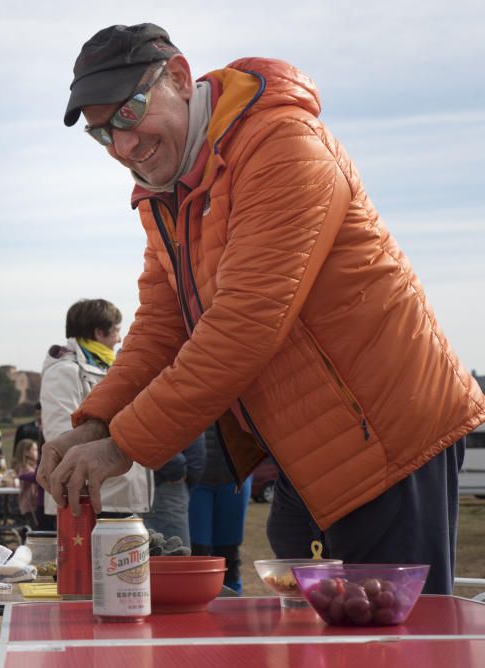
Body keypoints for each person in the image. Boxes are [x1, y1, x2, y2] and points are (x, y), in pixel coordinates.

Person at [38, 23, 484, 595]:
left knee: (390, 644)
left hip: (389, 439)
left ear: (178, 77)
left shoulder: (280, 144)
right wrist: (94, 423)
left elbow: (244, 327)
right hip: (306, 449)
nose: (123, 146)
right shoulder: (168, 190)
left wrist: (122, 446)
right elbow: (160, 326)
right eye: (102, 134)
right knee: (313, 641)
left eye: (130, 113)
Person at [39, 299, 153, 518]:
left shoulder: (117, 368)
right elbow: (60, 435)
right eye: (117, 331)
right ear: (100, 332)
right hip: (89, 500)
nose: (120, 339)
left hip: (124, 497)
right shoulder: (64, 371)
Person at [189, 426, 252, 594]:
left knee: (229, 554)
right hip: (196, 480)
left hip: (235, 477)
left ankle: (233, 604)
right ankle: (194, 607)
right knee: (197, 554)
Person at [145, 433, 205, 547]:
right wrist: (174, 466)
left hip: (171, 483)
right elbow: (141, 432)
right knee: (177, 555)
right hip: (164, 485)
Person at [12, 438, 43, 526]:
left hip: (33, 504)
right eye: (34, 450)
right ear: (26, 452)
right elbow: (33, 477)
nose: (37, 453)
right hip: (28, 505)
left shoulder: (34, 466)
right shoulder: (24, 468)